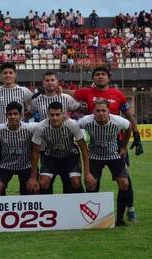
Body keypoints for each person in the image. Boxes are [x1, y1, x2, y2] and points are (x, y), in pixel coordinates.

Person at [60, 65, 143, 221]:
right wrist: (58, 89)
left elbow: (128, 116)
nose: (100, 77)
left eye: (103, 74)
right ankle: (89, 216)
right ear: (93, 78)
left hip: (116, 143)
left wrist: (136, 134)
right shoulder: (86, 92)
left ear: (108, 77)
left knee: (125, 180)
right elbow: (72, 94)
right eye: (97, 74)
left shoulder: (118, 94)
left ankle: (130, 210)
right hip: (95, 145)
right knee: (92, 183)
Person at [78, 98, 131, 226]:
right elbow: (74, 129)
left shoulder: (118, 121)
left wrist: (123, 147)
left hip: (113, 155)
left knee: (124, 183)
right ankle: (90, 219)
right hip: (95, 156)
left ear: (109, 111)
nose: (101, 113)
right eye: (98, 111)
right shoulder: (86, 121)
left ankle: (119, 219)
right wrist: (83, 146)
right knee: (91, 185)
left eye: (103, 110)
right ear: (93, 112)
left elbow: (129, 128)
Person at [28, 102, 89, 195]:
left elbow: (84, 149)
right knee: (43, 182)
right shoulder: (41, 127)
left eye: (57, 114)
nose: (55, 118)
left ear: (63, 114)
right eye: (52, 115)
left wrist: (87, 174)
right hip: (51, 156)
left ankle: (78, 206)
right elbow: (35, 153)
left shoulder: (72, 125)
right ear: (48, 114)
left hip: (70, 156)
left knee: (75, 182)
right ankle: (47, 208)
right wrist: (33, 177)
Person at [0, 101, 37, 195]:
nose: (12, 116)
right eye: (10, 114)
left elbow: (46, 125)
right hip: (5, 165)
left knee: (32, 189)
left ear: (21, 115)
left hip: (25, 166)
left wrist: (34, 177)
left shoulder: (30, 129)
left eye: (15, 114)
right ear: (6, 115)